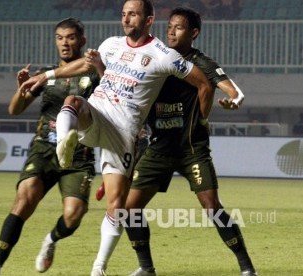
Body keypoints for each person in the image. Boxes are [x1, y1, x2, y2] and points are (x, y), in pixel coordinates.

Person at [20, 1, 214, 275]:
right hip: (98, 112)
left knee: (116, 206)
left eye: (132, 14)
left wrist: (202, 120)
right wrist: (46, 75)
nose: (126, 19)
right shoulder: (112, 44)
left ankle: (98, 268)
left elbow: (203, 83)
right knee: (74, 100)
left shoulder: (163, 55)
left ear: (148, 19)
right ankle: (65, 143)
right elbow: (82, 66)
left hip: (123, 133)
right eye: (123, 14)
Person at [118, 7, 255, 276]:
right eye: (169, 25)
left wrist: (234, 101)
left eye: (178, 27)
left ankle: (247, 269)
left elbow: (233, 90)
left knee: (212, 207)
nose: (171, 30)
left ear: (194, 33)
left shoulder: (201, 62)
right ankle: (146, 268)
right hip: (159, 148)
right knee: (127, 209)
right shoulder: (155, 56)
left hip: (192, 148)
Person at [0, 18, 99, 276]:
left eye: (70, 37)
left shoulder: (94, 73)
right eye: (60, 38)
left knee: (73, 215)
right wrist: (21, 87)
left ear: (82, 40)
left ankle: (51, 240)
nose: (65, 43)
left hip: (79, 153)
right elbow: (15, 109)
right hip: (44, 149)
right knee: (24, 200)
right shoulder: (45, 75)